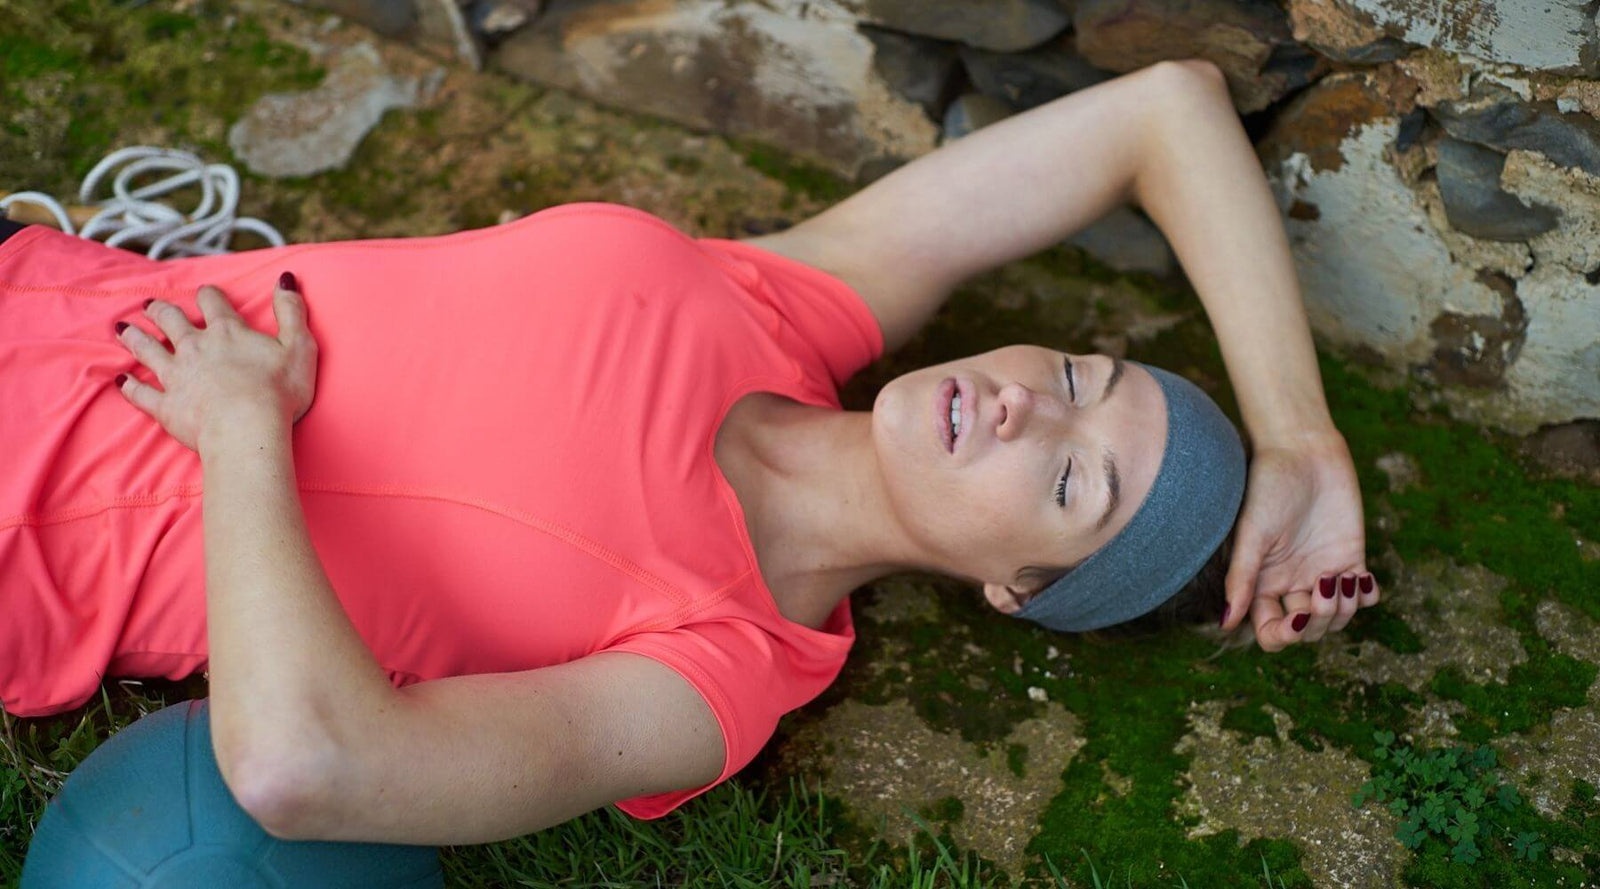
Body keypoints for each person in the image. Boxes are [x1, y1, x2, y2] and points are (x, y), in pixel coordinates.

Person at [0, 58, 1372, 847]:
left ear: (1013, 583)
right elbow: (1168, 108)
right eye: (1079, 378)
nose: (1026, 404)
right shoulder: (790, 296)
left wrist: (246, 433)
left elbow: (311, 768)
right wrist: (1299, 445)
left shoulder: (720, 666)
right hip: (36, 290)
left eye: (1073, 482)